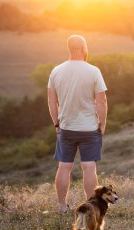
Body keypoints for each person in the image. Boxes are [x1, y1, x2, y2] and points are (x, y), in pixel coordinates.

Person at [47, 35, 108, 213]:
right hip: (90, 128)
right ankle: (91, 207)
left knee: (64, 166)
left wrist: (57, 123)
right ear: (84, 48)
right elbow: (101, 101)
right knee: (89, 167)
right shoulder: (93, 71)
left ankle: (62, 206)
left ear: (69, 49)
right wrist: (102, 124)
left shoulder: (56, 71)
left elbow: (51, 101)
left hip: (66, 128)